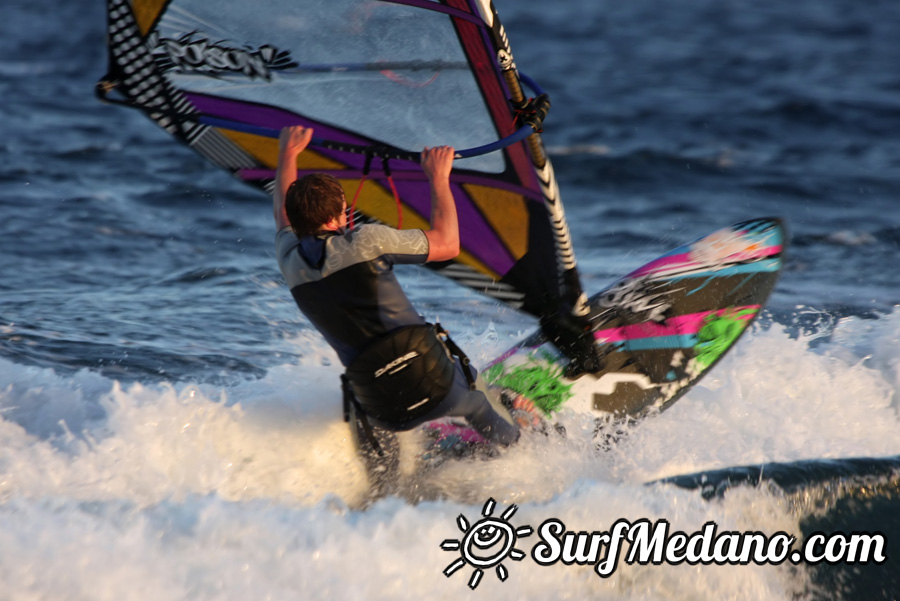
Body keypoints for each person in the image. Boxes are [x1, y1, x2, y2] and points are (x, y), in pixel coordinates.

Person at [272, 125, 538, 454]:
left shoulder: (287, 260)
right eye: (345, 210)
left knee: (357, 395)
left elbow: (283, 217)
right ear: (336, 218)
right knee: (476, 402)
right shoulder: (366, 241)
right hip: (439, 385)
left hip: (382, 408)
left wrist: (287, 154)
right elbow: (448, 244)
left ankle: (385, 488)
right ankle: (523, 442)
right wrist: (439, 176)